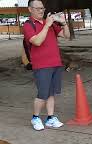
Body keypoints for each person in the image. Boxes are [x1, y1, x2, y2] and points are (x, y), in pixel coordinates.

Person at [23, 0, 70, 130]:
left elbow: (67, 35)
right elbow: (37, 41)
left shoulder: (49, 23)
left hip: (55, 63)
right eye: (37, 8)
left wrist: (63, 22)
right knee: (42, 94)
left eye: (42, 8)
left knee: (51, 93)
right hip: (41, 66)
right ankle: (35, 117)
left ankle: (50, 117)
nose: (41, 11)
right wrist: (46, 25)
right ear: (30, 9)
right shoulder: (28, 25)